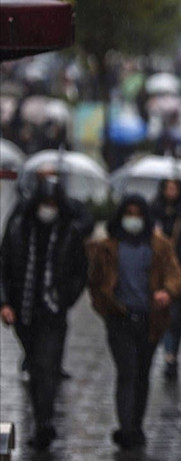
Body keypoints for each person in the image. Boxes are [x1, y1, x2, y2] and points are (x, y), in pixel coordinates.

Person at [0, 177, 91, 449]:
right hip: (23, 313)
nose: (48, 208)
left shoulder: (68, 233)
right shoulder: (17, 229)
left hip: (52, 314)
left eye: (53, 203)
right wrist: (4, 303)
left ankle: (44, 422)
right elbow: (3, 267)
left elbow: (79, 271)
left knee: (46, 367)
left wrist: (64, 299)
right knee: (36, 366)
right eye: (44, 203)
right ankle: (41, 417)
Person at [86, 194, 181, 449]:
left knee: (141, 374)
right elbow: (95, 282)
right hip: (119, 319)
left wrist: (167, 292)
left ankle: (136, 425)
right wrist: (105, 307)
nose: (133, 219)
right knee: (126, 372)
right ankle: (126, 428)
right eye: (128, 213)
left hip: (149, 321)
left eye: (137, 214)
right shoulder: (109, 247)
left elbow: (175, 276)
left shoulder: (159, 246)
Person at [150, 179, 181, 381]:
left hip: (180, 272)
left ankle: (172, 355)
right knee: (161, 315)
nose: (171, 192)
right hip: (157, 272)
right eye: (168, 188)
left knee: (176, 318)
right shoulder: (152, 211)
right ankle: (168, 354)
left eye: (175, 188)